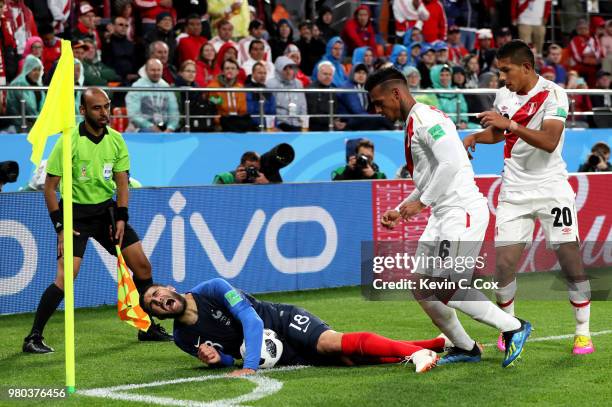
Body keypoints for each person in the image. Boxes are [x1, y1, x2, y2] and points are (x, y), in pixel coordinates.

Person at [365, 67, 531, 367]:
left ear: (396, 93)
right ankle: (466, 347)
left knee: (444, 285)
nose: (379, 110)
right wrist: (403, 209)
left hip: (461, 212)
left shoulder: (427, 119)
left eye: (379, 102)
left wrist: (421, 204)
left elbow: (451, 163)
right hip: (444, 213)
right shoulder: (416, 121)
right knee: (422, 285)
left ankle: (514, 326)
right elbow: (431, 178)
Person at [463, 40, 593, 355]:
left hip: (552, 188)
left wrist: (509, 123)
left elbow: (549, 140)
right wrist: (476, 136)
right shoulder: (504, 95)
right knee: (504, 266)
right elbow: (502, 132)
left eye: (506, 70)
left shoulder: (554, 94)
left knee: (570, 261)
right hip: (514, 191)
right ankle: (510, 328)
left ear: (526, 67)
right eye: (499, 71)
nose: (502, 78)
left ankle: (583, 331)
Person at [22, 88, 172, 354]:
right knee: (66, 277)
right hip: (75, 215)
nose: (105, 113)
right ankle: (33, 337)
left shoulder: (116, 140)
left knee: (143, 268)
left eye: (107, 107)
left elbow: (122, 181)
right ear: (83, 111)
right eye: (97, 108)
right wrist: (60, 226)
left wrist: (122, 217)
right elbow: (49, 188)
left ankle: (146, 327)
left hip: (107, 214)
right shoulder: (68, 141)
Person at [140, 278, 447, 374]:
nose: (158, 300)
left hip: (281, 321)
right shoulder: (182, 337)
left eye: (157, 292)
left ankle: (418, 356)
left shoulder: (212, 288)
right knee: (346, 359)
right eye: (152, 303)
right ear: (159, 315)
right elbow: (227, 357)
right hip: (278, 353)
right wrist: (216, 360)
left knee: (331, 343)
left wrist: (249, 366)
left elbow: (252, 319)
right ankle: (433, 345)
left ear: (169, 287)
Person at [127, 58, 179, 133]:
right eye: (153, 70)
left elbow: (174, 112)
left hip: (164, 127)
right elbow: (134, 115)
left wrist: (170, 127)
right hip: (141, 128)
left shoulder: (166, 86)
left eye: (158, 70)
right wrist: (150, 126)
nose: (156, 73)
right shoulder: (137, 86)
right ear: (146, 71)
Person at [337, 64, 394, 131]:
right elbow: (357, 111)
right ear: (352, 73)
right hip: (349, 121)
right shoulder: (347, 87)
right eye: (358, 72)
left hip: (361, 120)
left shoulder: (364, 87)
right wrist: (375, 118)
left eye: (364, 73)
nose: (361, 75)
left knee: (383, 128)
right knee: (384, 120)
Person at [207, 58, 255, 132]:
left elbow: (243, 109)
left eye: (233, 68)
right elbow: (213, 104)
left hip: (238, 121)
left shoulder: (240, 87)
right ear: (222, 71)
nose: (230, 70)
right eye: (227, 68)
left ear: (237, 72)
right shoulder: (213, 86)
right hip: (220, 123)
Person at [266, 56, 307, 132]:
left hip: (297, 123)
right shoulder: (271, 84)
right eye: (285, 69)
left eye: (290, 68)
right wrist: (273, 125)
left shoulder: (298, 83)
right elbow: (269, 108)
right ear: (279, 70)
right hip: (280, 124)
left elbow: (303, 105)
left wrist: (304, 123)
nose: (288, 72)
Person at [5, 55, 44, 130]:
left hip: (35, 124)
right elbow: (29, 107)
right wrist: (43, 124)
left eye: (39, 70)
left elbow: (43, 104)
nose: (37, 73)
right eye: (34, 70)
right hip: (19, 125)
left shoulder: (37, 84)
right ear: (28, 69)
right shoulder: (19, 84)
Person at [306, 61, 346, 132]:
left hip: (331, 125)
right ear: (318, 74)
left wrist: (337, 120)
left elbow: (336, 111)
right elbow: (313, 115)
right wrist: (332, 121)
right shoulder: (311, 90)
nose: (328, 77)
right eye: (325, 74)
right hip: (316, 128)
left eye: (330, 74)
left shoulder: (333, 89)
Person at [245, 62, 275, 129]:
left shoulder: (268, 92)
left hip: (267, 126)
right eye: (260, 73)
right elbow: (249, 111)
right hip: (251, 126)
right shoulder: (246, 90)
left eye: (264, 73)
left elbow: (272, 112)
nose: (263, 75)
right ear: (253, 74)